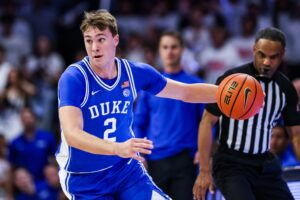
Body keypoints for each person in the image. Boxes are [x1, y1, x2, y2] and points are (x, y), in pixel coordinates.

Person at [56, 10, 218, 200]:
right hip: (84, 179)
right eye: (88, 40)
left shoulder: (133, 72)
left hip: (125, 171)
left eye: (101, 39)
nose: (94, 47)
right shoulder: (74, 77)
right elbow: (72, 134)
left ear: (115, 40)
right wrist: (117, 148)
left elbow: (185, 92)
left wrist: (223, 93)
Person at [193, 27, 300, 200]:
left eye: (273, 57)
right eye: (262, 55)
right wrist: (204, 171)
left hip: (264, 163)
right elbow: (207, 121)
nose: (266, 62)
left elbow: (295, 134)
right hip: (231, 163)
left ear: (282, 54)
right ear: (253, 50)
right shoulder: (232, 79)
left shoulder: (285, 88)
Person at [133, 31, 205, 200]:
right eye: (165, 47)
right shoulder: (150, 86)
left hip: (185, 159)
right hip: (155, 159)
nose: (170, 51)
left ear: (182, 49)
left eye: (174, 47)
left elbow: (207, 121)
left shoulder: (195, 85)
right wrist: (139, 154)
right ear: (160, 51)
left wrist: (202, 151)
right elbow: (138, 122)